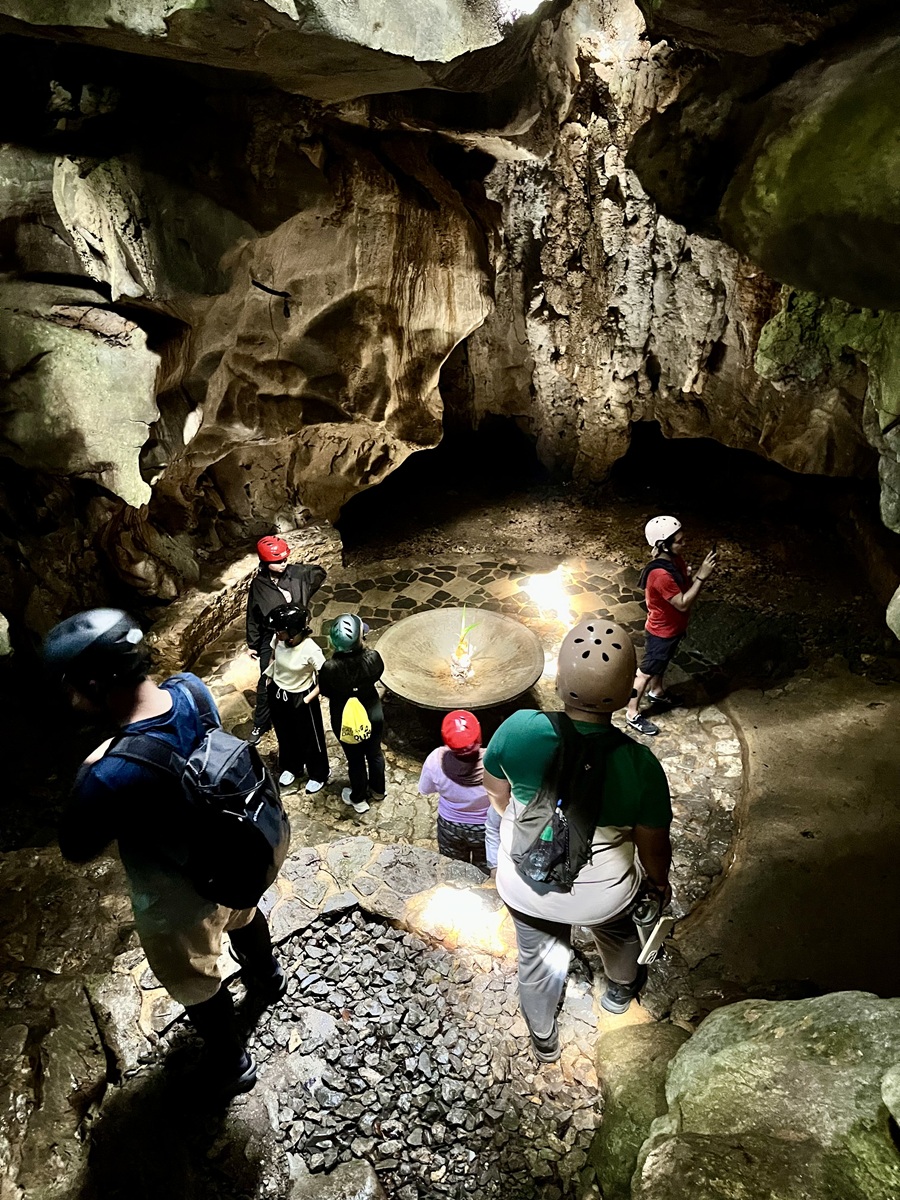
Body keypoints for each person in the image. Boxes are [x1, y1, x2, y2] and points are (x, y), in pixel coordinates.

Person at [44, 609, 286, 1097]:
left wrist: (93, 763)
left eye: (72, 684)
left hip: (177, 894)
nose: (69, 695)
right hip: (231, 851)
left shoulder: (111, 774)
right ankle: (268, 979)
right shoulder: (192, 689)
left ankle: (232, 1062)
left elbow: (75, 845)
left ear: (95, 682)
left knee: (193, 976)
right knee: (242, 916)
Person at [483, 619, 673, 1063]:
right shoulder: (640, 765)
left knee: (537, 954)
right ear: (630, 690)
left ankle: (545, 1038)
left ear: (558, 680)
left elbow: (496, 794)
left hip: (525, 884)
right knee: (619, 932)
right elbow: (653, 849)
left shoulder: (518, 730)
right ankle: (619, 993)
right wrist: (658, 884)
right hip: (602, 896)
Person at [625, 515, 717, 737]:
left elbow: (682, 588)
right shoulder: (660, 574)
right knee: (645, 671)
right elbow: (683, 603)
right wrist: (701, 578)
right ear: (662, 544)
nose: (684, 544)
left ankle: (656, 692)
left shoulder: (675, 560)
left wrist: (689, 577)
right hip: (661, 631)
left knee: (661, 664)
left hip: (672, 628)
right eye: (679, 541)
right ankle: (632, 713)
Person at [246, 536, 327, 745]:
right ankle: (260, 723)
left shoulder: (297, 574)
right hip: (271, 635)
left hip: (297, 633)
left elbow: (319, 573)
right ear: (265, 562)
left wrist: (303, 601)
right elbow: (253, 614)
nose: (283, 564)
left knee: (301, 672)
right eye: (278, 561)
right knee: (266, 680)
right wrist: (253, 643)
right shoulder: (259, 585)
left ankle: (300, 709)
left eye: (285, 560)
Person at [309, 613, 385, 815]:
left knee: (355, 758)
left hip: (344, 717)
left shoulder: (330, 668)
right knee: (375, 752)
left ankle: (358, 798)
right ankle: (378, 790)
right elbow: (378, 673)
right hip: (372, 711)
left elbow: (325, 691)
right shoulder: (373, 658)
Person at [264, 604, 329, 793]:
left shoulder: (311, 649)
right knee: (285, 734)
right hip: (278, 693)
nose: (277, 634)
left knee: (310, 738)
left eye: (280, 630)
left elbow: (325, 677)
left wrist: (309, 698)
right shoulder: (279, 640)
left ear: (293, 630)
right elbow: (273, 656)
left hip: (301, 696)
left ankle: (318, 774)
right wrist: (270, 677)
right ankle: (292, 767)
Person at [419, 710, 491, 875]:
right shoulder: (493, 762)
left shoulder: (435, 760)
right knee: (484, 870)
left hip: (450, 825)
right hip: (486, 827)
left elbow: (426, 789)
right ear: (479, 736)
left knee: (454, 869)